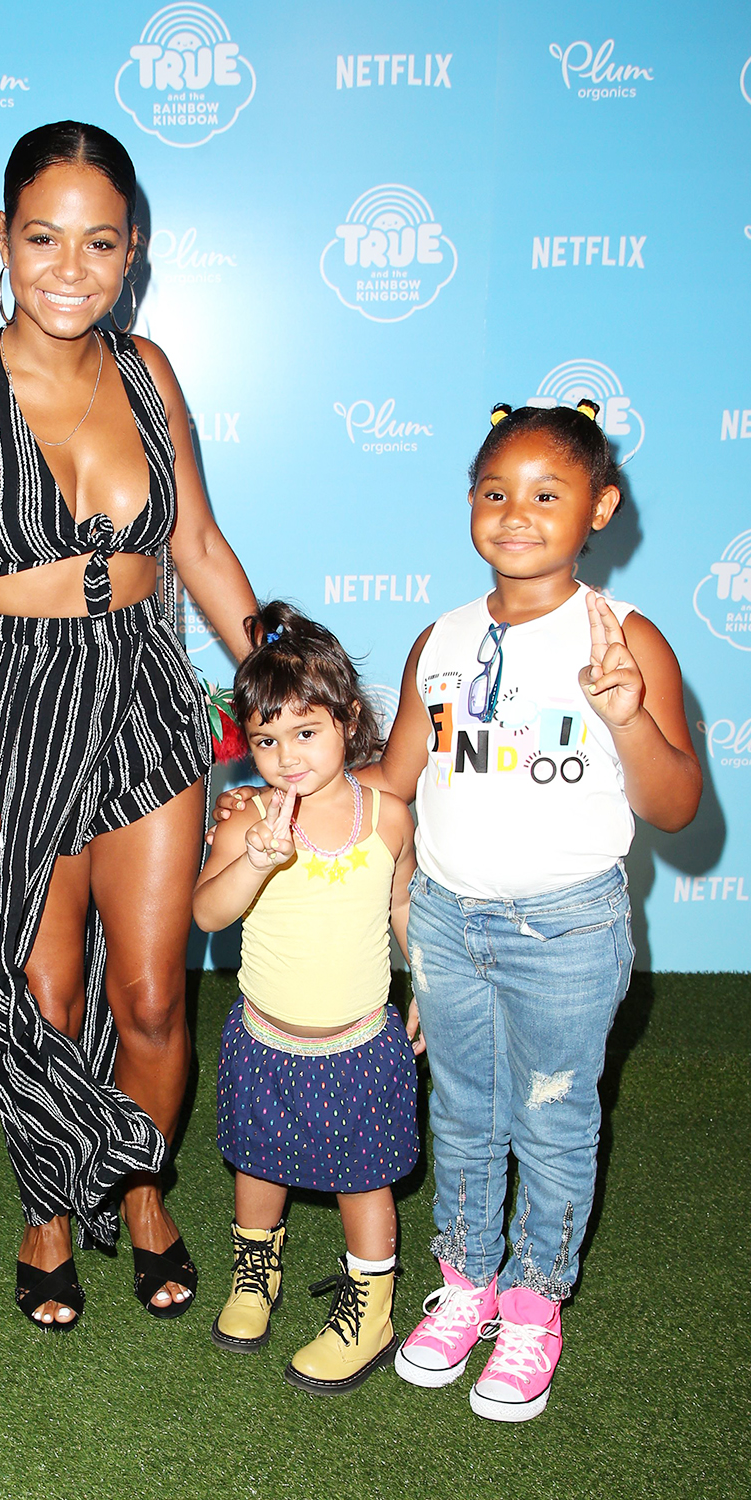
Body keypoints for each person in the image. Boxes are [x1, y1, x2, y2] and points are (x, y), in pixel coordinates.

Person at [212, 401, 701, 1418]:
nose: (514, 514)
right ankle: (466, 1284)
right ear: (470, 505)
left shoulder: (621, 639)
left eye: (545, 493)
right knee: (464, 1116)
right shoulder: (440, 641)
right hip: (444, 920)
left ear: (599, 507)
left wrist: (628, 716)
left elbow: (674, 803)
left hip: (564, 927)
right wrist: (286, 786)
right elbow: (390, 779)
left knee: (552, 1119)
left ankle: (532, 1304)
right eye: (493, 492)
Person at [0, 120, 257, 1332]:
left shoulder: (147, 372)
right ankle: (50, 1203)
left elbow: (192, 543)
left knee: (150, 996)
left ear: (131, 251)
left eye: (100, 242)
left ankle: (139, 1190)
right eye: (44, 237)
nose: (71, 266)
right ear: (3, 240)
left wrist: (278, 688)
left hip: (147, 685)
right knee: (36, 995)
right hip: (14, 705)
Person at [193, 603, 419, 1394]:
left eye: (306, 733)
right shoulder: (248, 814)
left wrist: (423, 978)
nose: (285, 757)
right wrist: (253, 859)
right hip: (265, 1039)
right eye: (265, 739)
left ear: (347, 720)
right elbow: (208, 913)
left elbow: (402, 908)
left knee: (366, 1181)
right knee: (258, 1164)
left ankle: (372, 1305)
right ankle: (256, 1271)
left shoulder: (387, 814)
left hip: (359, 1042)